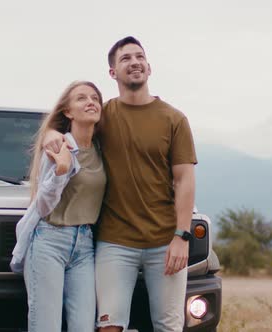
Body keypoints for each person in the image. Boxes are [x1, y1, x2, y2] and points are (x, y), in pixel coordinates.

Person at [44, 36, 197, 332]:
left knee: (169, 326)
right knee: (109, 326)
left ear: (149, 68)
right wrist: (52, 132)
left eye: (139, 56)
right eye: (125, 58)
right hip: (115, 241)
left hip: (165, 240)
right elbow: (65, 123)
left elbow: (185, 180)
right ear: (113, 73)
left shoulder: (174, 119)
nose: (134, 62)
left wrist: (182, 236)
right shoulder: (103, 115)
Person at [11, 81, 106, 332]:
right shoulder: (58, 146)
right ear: (67, 112)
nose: (91, 102)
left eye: (95, 98)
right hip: (49, 240)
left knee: (84, 327)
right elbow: (42, 204)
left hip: (85, 245)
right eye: (81, 98)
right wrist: (62, 170)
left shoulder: (101, 148)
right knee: (46, 326)